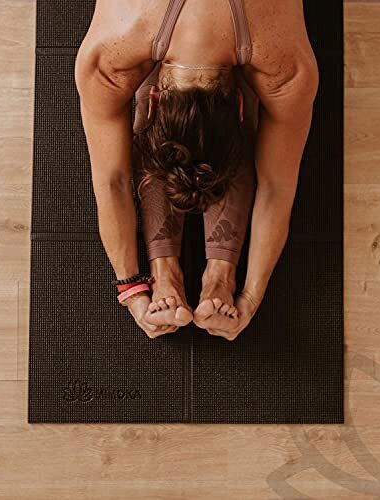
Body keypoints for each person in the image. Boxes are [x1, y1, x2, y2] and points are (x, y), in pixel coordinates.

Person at [75, 0, 318, 341]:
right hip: (244, 29)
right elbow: (276, 185)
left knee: (175, 134)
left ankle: (183, 274)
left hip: (163, 28)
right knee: (204, 136)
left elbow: (113, 180)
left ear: (154, 99)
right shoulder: (287, 72)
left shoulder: (110, 54)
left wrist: (133, 291)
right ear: (240, 105)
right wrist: (249, 297)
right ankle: (205, 275)